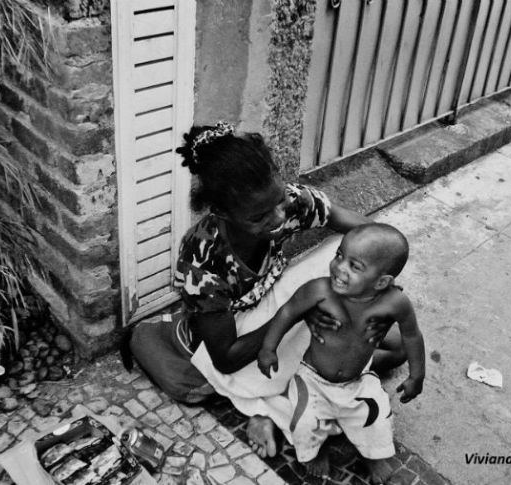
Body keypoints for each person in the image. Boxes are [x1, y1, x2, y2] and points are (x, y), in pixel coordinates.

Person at [126, 122, 406, 458]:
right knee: (198, 384)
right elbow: (227, 359)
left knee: (396, 347)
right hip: (244, 336)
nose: (277, 218)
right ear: (223, 212)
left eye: (278, 202)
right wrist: (300, 312)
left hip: (286, 307)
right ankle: (271, 410)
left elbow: (373, 236)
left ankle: (275, 400)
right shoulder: (203, 259)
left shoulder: (290, 203)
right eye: (259, 216)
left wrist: (376, 287)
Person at [257, 223, 425, 483]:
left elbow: (412, 335)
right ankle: (317, 450)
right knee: (306, 422)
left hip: (358, 379)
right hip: (312, 379)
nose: (339, 267)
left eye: (354, 266)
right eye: (339, 256)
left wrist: (417, 375)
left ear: (382, 281)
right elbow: (288, 312)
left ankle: (373, 457)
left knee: (376, 417)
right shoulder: (319, 291)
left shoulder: (394, 303)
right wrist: (268, 348)